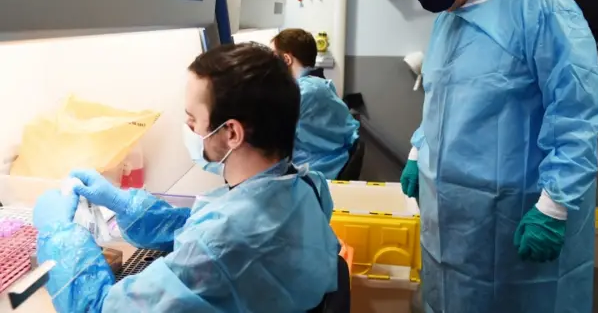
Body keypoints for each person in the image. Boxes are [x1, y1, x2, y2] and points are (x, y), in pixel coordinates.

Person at [398, 0, 598, 313]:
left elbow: (576, 115)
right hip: (453, 217)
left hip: (520, 211)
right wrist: (416, 151)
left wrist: (555, 205)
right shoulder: (448, 18)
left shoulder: (543, 8)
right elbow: (440, 99)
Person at [32, 43, 339, 312]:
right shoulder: (304, 187)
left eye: (193, 119)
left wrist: (59, 236)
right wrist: (127, 206)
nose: (189, 128)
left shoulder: (225, 242)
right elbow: (203, 229)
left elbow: (100, 309)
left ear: (231, 132)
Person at [271, 28, 360, 180]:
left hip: (317, 167)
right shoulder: (318, 84)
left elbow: (270, 130)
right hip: (329, 158)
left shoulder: (304, 92)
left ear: (286, 59)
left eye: (273, 57)